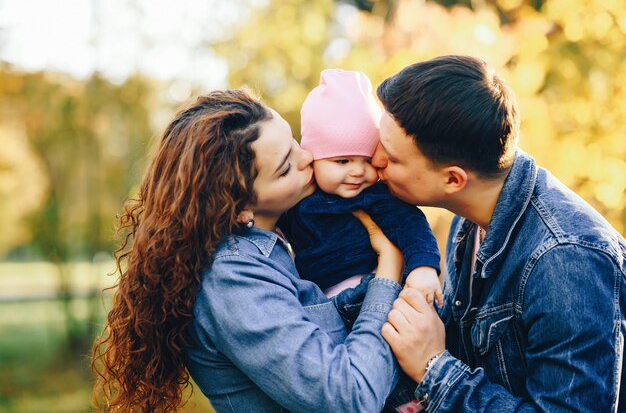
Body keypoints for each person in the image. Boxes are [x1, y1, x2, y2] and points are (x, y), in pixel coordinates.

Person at [91, 89, 407, 413]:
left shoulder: (280, 246)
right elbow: (348, 396)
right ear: (238, 208)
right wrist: (388, 274)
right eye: (285, 168)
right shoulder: (233, 280)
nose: (307, 158)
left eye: (295, 143)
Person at [369, 55, 626, 412]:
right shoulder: (470, 218)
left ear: (453, 179)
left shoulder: (566, 259)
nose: (375, 159)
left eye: (393, 158)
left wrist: (434, 368)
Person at [278, 69, 441, 302]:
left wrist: (423, 266)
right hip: (320, 302)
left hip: (374, 288)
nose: (357, 171)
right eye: (342, 161)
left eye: (367, 160)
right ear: (313, 158)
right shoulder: (296, 198)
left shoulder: (374, 196)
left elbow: (410, 224)